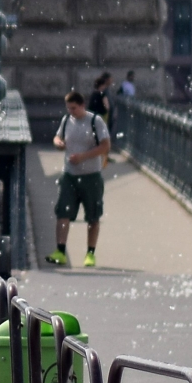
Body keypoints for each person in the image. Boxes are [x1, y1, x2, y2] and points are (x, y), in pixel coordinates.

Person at [49, 88, 110, 268]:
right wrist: (58, 143)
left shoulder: (95, 121)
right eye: (68, 108)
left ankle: (90, 253)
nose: (71, 112)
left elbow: (105, 146)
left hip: (91, 176)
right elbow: (57, 136)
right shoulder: (67, 120)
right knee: (62, 213)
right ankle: (60, 251)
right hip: (69, 175)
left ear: (82, 105)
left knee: (93, 216)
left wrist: (83, 156)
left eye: (74, 108)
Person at [113, 72, 138, 164]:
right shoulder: (125, 85)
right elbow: (121, 94)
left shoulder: (131, 85)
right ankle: (120, 141)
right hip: (125, 109)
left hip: (130, 107)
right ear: (128, 76)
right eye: (131, 76)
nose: (133, 78)